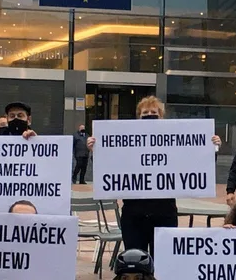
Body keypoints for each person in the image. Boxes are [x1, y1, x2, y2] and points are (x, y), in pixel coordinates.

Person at [92, 95, 220, 251]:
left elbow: (195, 164)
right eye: (145, 113)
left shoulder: (173, 142)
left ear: (161, 117)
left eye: (154, 113)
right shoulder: (126, 144)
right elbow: (109, 166)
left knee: (161, 263)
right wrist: (96, 150)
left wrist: (211, 147)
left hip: (164, 213)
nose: (149, 116)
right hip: (134, 215)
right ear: (138, 117)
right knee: (136, 261)